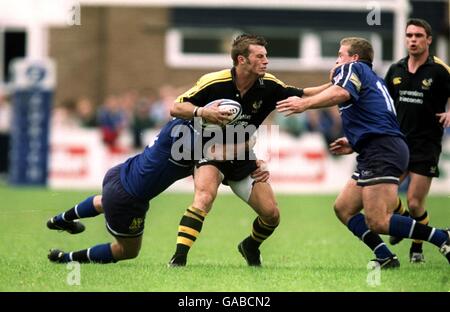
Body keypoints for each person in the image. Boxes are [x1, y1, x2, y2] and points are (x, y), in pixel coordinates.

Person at [276, 37, 450, 268]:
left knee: (377, 221)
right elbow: (377, 117)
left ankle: (442, 237)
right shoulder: (374, 80)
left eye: (340, 54)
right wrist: (354, 141)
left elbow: (341, 93)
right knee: (344, 208)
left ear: (355, 58)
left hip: (382, 150)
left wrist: (305, 104)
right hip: (378, 148)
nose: (337, 59)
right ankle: (385, 256)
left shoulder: (352, 68)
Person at [167, 34, 331, 267]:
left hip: (242, 155)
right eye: (260, 56)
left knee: (271, 214)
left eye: (266, 56)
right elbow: (176, 107)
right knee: (204, 198)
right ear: (242, 60)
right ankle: (179, 259)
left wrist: (337, 84)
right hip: (210, 151)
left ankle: (250, 246)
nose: (266, 61)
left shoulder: (269, 84)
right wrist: (204, 112)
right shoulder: (214, 82)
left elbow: (303, 94)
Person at [46, 117, 270, 264]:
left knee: (105, 201)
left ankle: (61, 219)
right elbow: (218, 154)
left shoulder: (177, 124)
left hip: (119, 173)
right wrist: (251, 150)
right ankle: (66, 258)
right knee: (128, 250)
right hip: (129, 199)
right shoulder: (193, 144)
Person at [384, 18, 450, 263]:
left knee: (413, 202)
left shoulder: (440, 70)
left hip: (426, 144)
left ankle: (417, 248)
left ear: (429, 40)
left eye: (418, 36)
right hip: (397, 144)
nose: (413, 40)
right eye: (409, 35)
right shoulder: (396, 69)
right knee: (387, 197)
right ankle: (406, 225)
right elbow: (384, 103)